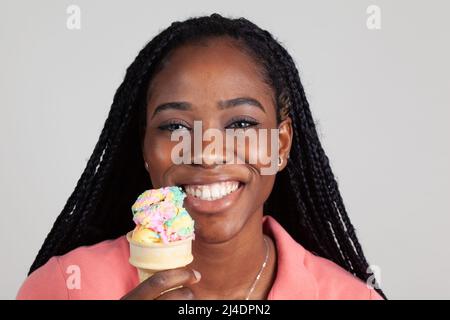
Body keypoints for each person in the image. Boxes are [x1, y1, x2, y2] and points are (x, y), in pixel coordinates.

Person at [17, 13, 386, 300]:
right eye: (175, 127)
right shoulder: (64, 285)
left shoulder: (352, 295)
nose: (207, 154)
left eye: (241, 123)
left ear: (282, 144)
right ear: (145, 147)